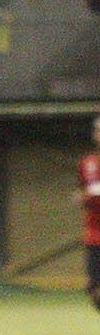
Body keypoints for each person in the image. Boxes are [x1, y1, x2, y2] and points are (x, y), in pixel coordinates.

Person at [80, 116, 100, 312]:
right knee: (92, 287)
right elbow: (90, 193)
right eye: (97, 131)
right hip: (94, 235)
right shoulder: (88, 162)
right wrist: (84, 196)